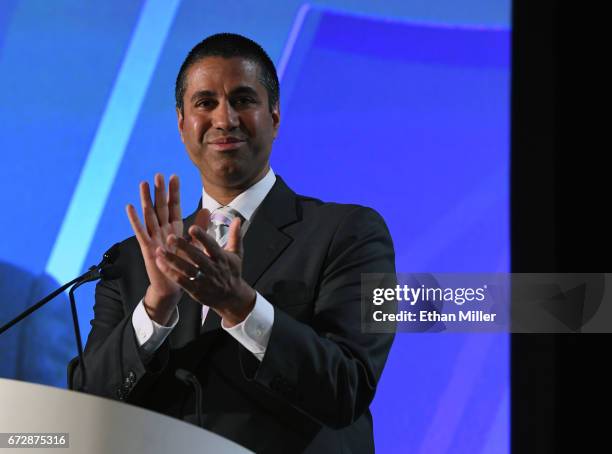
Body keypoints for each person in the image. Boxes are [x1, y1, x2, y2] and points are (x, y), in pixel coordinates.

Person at [71, 33, 396, 454]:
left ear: (275, 117)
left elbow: (348, 390)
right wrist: (155, 308)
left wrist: (241, 305)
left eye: (243, 100)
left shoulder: (355, 232)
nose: (224, 119)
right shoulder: (133, 261)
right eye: (205, 103)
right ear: (182, 123)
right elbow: (83, 411)